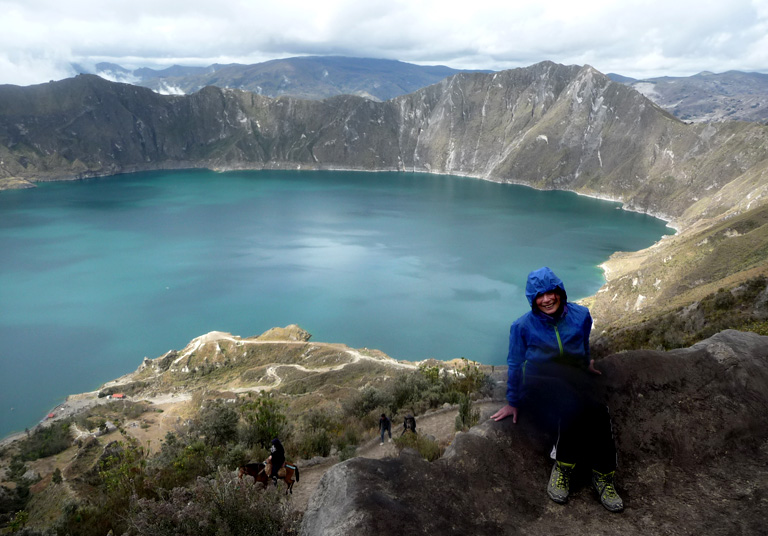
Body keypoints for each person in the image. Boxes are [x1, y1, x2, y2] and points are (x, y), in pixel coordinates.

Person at [491, 267, 624, 513]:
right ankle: (563, 465)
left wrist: (586, 365)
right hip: (538, 381)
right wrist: (513, 401)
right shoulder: (522, 327)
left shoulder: (581, 315)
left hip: (571, 375)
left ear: (559, 291)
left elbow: (583, 344)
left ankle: (603, 474)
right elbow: (515, 364)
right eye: (539, 295)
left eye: (550, 292)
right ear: (532, 300)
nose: (546, 299)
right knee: (570, 405)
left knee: (598, 411)